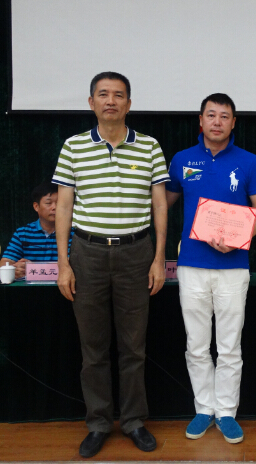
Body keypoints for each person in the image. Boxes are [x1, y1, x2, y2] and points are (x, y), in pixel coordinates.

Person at [52, 71, 169, 459]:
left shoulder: (149, 146)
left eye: (119, 95)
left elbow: (159, 205)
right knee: (93, 348)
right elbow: (64, 207)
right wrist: (63, 263)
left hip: (137, 254)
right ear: (91, 103)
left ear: (129, 104)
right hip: (87, 255)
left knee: (134, 346)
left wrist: (158, 258)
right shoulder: (73, 147)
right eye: (103, 94)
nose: (111, 101)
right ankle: (99, 423)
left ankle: (134, 421)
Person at [166, 93, 256, 444]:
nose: (217, 122)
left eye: (224, 116)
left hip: (234, 266)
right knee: (196, 344)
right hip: (192, 265)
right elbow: (163, 204)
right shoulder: (182, 160)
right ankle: (203, 409)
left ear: (233, 122)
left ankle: (226, 412)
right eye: (211, 115)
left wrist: (241, 238)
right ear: (200, 120)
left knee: (229, 346)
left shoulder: (250, 162)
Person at [0, 181, 72, 278]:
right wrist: (15, 269)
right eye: (48, 203)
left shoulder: (74, 233)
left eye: (59, 203)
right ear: (36, 207)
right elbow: (5, 262)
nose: (54, 207)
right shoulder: (23, 233)